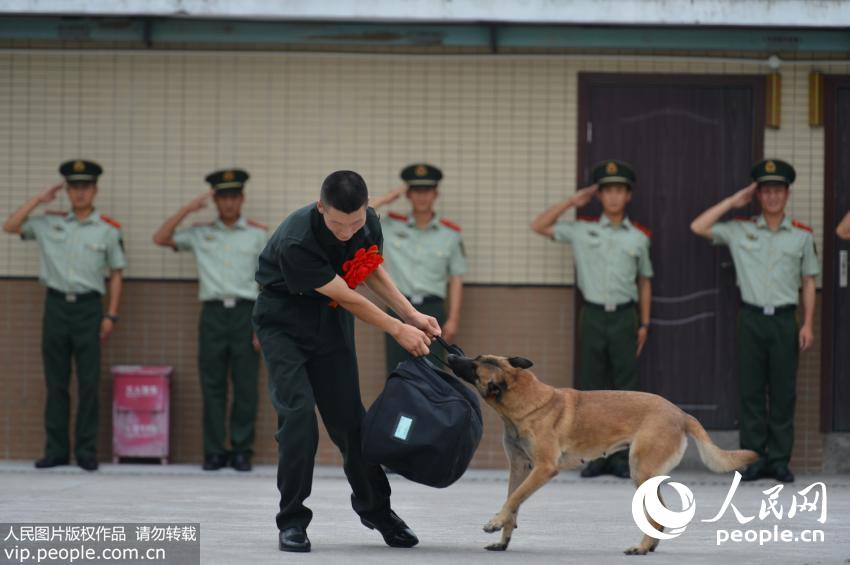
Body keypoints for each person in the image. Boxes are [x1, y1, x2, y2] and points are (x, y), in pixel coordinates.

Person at [253, 170, 441, 553]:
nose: (346, 231)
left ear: (367, 209)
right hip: (283, 321)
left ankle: (378, 511)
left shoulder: (366, 223)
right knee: (298, 417)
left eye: (354, 222)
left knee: (352, 423)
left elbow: (367, 269)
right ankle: (292, 520)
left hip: (330, 320)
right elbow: (350, 296)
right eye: (338, 223)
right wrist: (395, 328)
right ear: (321, 208)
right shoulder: (297, 239)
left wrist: (412, 314)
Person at [690, 159, 818, 483]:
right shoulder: (740, 229)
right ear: (758, 195)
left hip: (785, 320)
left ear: (787, 194)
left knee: (783, 392)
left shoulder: (801, 235)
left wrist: (807, 324)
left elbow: (808, 281)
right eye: (766, 191)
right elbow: (699, 226)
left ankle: (778, 460)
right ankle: (753, 458)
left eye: (778, 190)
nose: (773, 197)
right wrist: (734, 201)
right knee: (750, 391)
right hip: (751, 319)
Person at [531, 160, 653, 479]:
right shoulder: (582, 229)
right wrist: (573, 201)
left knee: (626, 390)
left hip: (626, 315)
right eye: (607, 190)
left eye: (619, 191)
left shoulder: (638, 237)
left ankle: (623, 458)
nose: (613, 197)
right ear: (599, 195)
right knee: (591, 391)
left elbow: (645, 281)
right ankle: (596, 457)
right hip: (594, 315)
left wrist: (644, 323)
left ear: (628, 196)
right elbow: (539, 225)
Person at [2, 159, 126, 472]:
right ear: (67, 191)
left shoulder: (107, 229)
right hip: (56, 306)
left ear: (95, 190)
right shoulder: (47, 222)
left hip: (89, 308)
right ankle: (56, 450)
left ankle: (85, 451)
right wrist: (38, 200)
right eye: (74, 188)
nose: (80, 193)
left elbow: (116, 273)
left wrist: (110, 315)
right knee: (56, 382)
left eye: (85, 187)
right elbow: (10, 226)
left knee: (88, 382)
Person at [152, 168, 267, 471]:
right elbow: (160, 238)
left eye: (233, 196)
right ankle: (214, 451)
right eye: (222, 197)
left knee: (245, 386)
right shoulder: (200, 233)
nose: (229, 203)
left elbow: (269, 282)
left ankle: (242, 450)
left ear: (242, 198)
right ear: (215, 200)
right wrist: (189, 209)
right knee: (212, 385)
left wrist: (262, 324)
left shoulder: (258, 235)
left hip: (247, 313)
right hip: (213, 314)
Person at [370, 163, 466, 374]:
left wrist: (454, 318)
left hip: (433, 310)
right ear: (408, 194)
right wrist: (388, 198)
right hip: (398, 308)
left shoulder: (450, 233)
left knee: (433, 375)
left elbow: (456, 278)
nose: (422, 197)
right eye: (415, 191)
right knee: (397, 374)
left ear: (435, 194)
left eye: (427, 191)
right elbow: (359, 214)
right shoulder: (389, 225)